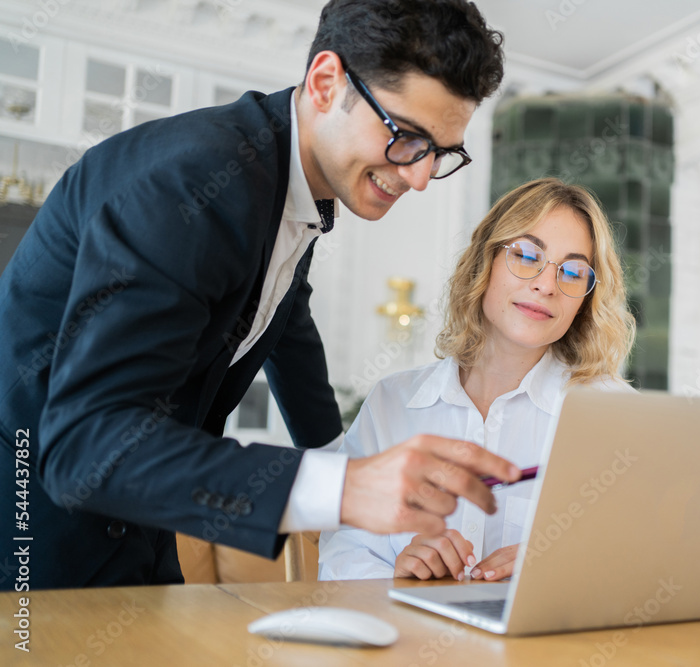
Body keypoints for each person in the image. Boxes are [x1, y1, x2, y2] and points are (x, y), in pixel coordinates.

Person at [0, 0, 517, 591]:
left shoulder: (289, 187)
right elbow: (83, 448)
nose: (421, 176)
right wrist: (346, 489)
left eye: (442, 152)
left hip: (136, 530)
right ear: (326, 82)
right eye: (406, 136)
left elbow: (285, 322)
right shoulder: (195, 182)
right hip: (26, 533)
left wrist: (355, 470)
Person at [317, 177, 637, 581]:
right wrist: (396, 574)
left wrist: (561, 565)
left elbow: (643, 563)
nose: (545, 285)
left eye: (573, 273)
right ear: (484, 263)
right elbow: (340, 553)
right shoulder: (393, 403)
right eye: (525, 255)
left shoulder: (614, 413)